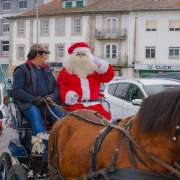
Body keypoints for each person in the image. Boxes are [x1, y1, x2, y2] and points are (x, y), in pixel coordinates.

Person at [12, 44, 64, 154]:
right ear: (37, 55)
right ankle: (38, 151)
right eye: (45, 55)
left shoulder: (47, 69)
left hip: (46, 103)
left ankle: (61, 147)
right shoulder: (21, 70)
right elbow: (16, 91)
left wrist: (52, 97)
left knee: (62, 120)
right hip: (29, 104)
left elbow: (56, 88)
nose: (46, 57)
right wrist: (33, 99)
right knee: (37, 121)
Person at [57, 42, 114, 121]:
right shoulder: (66, 71)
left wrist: (98, 62)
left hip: (95, 107)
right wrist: (69, 95)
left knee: (107, 126)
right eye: (78, 55)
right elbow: (61, 87)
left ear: (89, 56)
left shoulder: (94, 71)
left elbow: (109, 75)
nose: (81, 57)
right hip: (76, 107)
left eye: (84, 54)